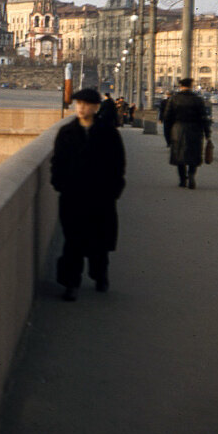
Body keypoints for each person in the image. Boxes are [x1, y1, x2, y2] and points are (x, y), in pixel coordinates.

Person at [50, 88, 126, 302]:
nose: (81, 108)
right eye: (79, 104)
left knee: (99, 242)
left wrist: (113, 191)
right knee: (72, 241)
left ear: (95, 107)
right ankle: (71, 284)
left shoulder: (108, 133)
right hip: (72, 196)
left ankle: (100, 275)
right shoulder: (66, 132)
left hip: (100, 197)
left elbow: (118, 164)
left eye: (86, 104)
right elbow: (57, 162)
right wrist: (60, 184)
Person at [163, 77, 212, 189]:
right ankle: (191, 175)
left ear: (181, 86)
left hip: (178, 129)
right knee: (194, 154)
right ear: (191, 86)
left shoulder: (174, 99)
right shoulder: (198, 99)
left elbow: (167, 118)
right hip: (195, 130)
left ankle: (182, 180)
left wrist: (167, 136)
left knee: (179, 155)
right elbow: (204, 118)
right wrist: (207, 133)